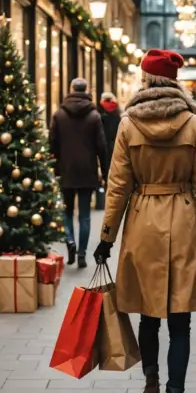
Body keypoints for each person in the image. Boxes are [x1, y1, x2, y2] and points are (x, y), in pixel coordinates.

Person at [94, 49, 196, 393]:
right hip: (184, 220)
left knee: (148, 313)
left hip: (142, 223)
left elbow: (118, 186)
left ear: (146, 81)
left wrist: (106, 237)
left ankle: (151, 377)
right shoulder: (193, 123)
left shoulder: (128, 125)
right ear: (175, 82)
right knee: (181, 321)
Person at [50, 78, 108, 268]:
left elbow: (52, 144)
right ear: (86, 90)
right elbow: (101, 147)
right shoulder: (94, 115)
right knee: (84, 215)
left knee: (66, 212)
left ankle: (70, 240)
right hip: (87, 171)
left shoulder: (59, 114)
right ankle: (82, 254)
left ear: (71, 89)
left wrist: (55, 167)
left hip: (66, 170)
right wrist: (105, 173)